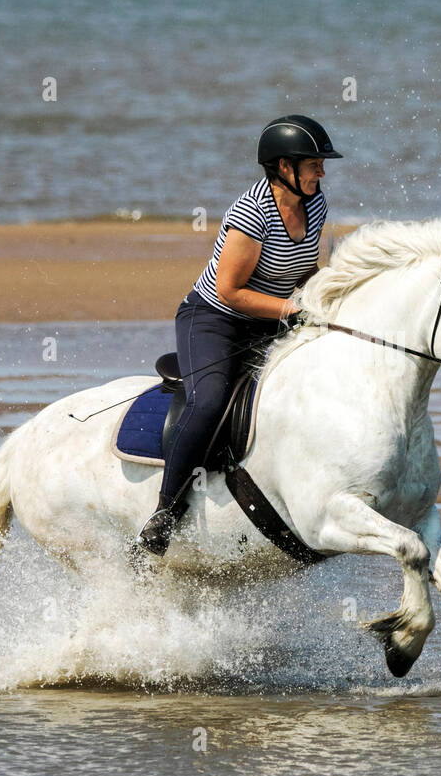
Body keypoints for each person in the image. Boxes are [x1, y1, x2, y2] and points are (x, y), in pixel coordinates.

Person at [135, 115, 342, 556]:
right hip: (215, 317)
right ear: (284, 166)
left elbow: (305, 270)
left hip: (273, 315)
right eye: (314, 164)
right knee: (208, 400)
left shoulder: (316, 203)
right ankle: (164, 513)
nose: (322, 171)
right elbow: (231, 291)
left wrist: (328, 299)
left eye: (322, 164)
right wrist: (293, 309)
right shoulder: (252, 211)